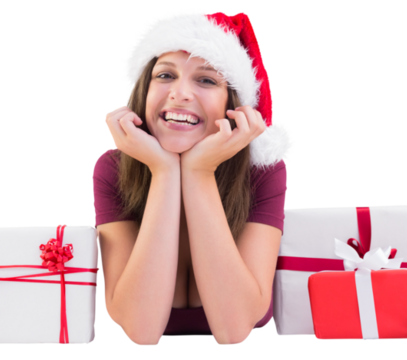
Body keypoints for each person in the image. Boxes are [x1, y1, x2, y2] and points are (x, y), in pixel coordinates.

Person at [93, 7, 295, 346]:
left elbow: (234, 331)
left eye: (206, 80)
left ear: (235, 104)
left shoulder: (262, 171)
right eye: (165, 75)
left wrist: (199, 172)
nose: (180, 93)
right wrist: (163, 170)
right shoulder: (113, 168)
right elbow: (141, 331)